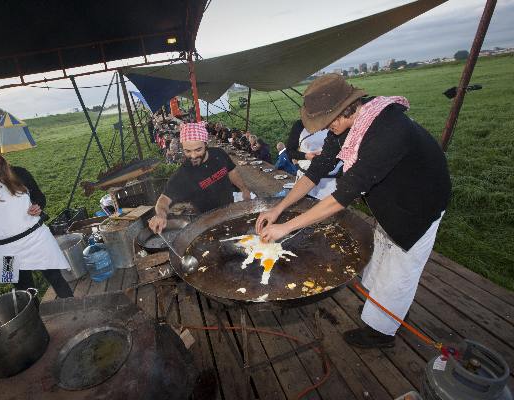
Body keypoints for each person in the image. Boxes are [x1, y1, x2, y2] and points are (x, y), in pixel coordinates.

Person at [256, 74, 451, 348]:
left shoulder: (388, 131)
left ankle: (381, 333)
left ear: (338, 115)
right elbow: (316, 172)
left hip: (418, 203)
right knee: (382, 251)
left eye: (325, 123)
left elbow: (341, 197)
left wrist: (286, 227)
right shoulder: (349, 126)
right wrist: (278, 208)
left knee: (400, 268)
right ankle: (381, 306)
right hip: (391, 197)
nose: (325, 128)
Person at [0, 134, 73, 297]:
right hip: (4, 249)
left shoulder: (19, 173)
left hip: (37, 238)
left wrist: (37, 206)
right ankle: (32, 321)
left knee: (56, 278)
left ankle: (73, 310)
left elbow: (39, 196)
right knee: (23, 292)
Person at [149, 122, 251, 234]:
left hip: (230, 210)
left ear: (206, 144)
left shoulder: (219, 154)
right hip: (207, 223)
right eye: (187, 151)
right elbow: (163, 200)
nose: (193, 156)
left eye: (198, 150)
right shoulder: (183, 174)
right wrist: (160, 215)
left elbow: (232, 171)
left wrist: (244, 189)